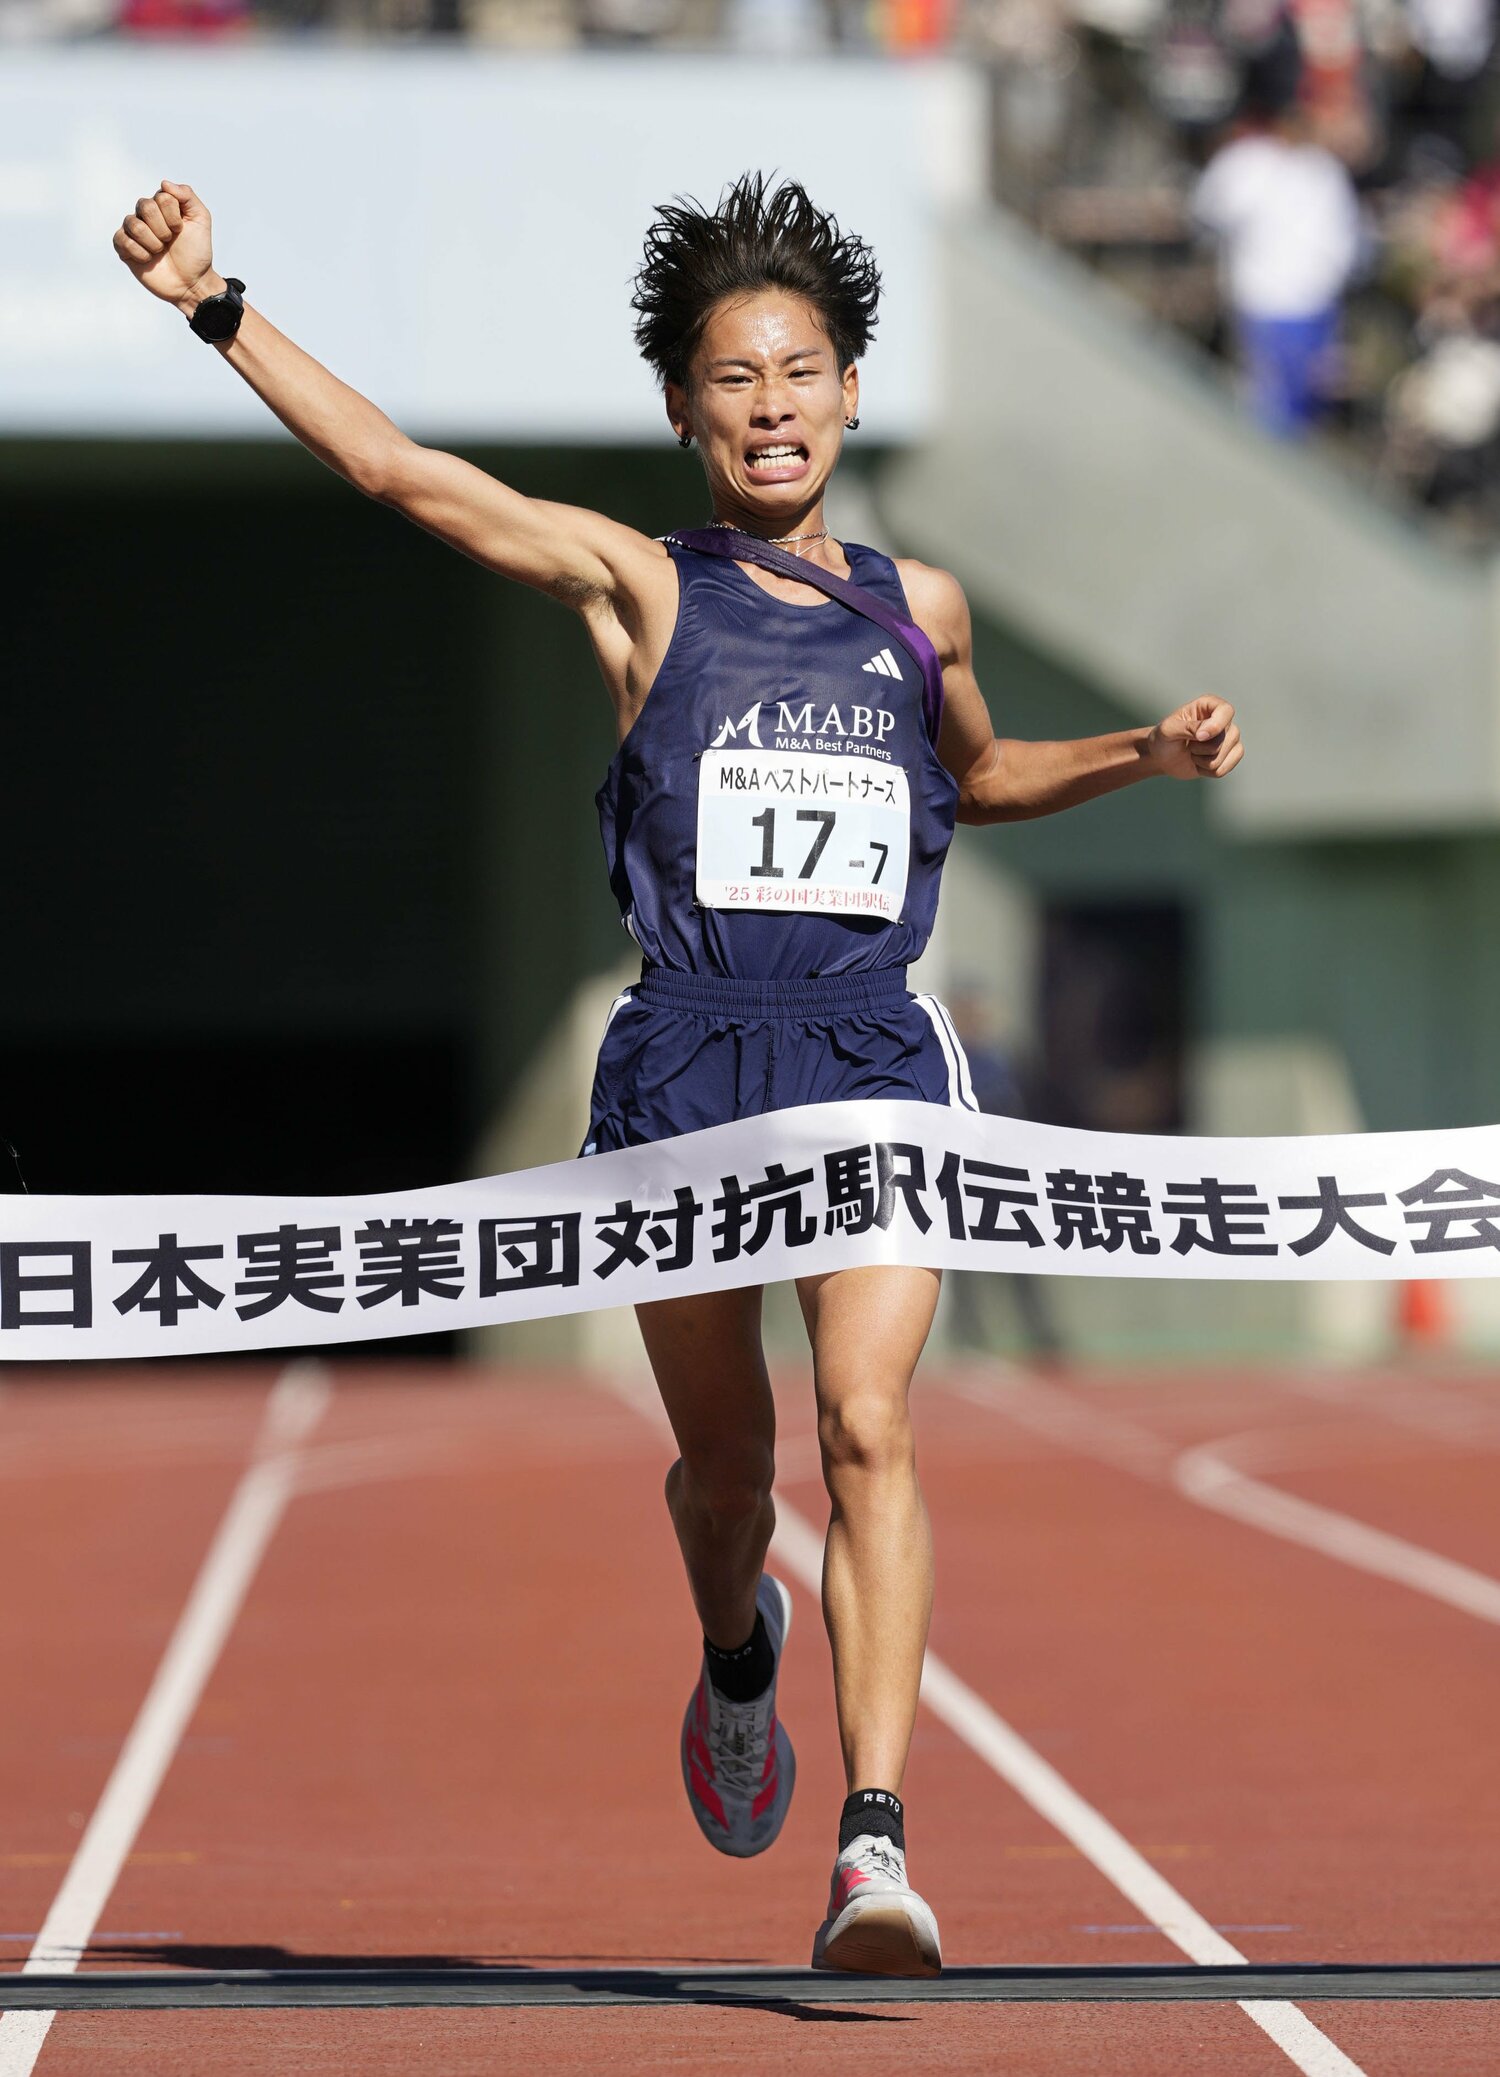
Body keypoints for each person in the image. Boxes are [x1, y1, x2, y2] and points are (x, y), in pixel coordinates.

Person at [112, 170, 1244, 1976]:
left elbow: (983, 774)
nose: (773, 401)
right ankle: (739, 1648)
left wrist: (1144, 749)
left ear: (853, 392)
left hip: (873, 1057)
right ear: (683, 408)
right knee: (729, 1472)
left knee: (867, 1425)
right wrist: (216, 305)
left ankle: (874, 1847)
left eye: (802, 368)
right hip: (687, 1071)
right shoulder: (637, 586)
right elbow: (410, 479)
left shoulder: (916, 604)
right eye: (735, 376)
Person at [1194, 102, 1363, 439]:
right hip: (1262, 301)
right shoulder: (1249, 161)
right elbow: (1209, 212)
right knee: (1267, 401)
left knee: (1305, 405)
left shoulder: (1325, 172)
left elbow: (1345, 240)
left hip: (1313, 306)